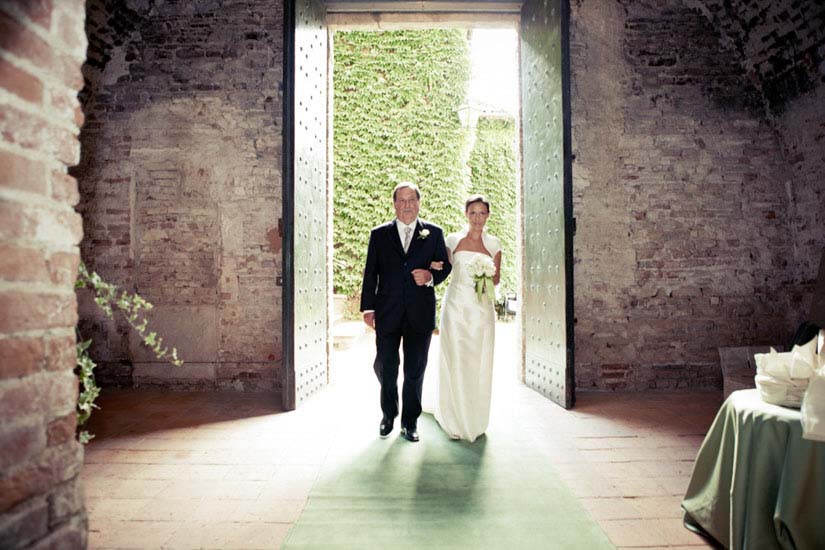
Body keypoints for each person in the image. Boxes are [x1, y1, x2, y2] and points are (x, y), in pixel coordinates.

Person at [360, 182, 452, 442]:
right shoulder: (379, 235)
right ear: (394, 204)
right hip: (386, 312)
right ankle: (388, 415)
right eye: (402, 200)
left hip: (419, 314)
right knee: (386, 367)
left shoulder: (433, 233)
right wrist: (368, 307)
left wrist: (430, 276)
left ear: (419, 203)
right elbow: (371, 273)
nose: (407, 205)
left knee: (415, 370)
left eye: (412, 199)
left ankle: (410, 422)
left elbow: (445, 266)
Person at [431, 195, 501, 442]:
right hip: (456, 309)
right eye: (473, 212)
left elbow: (496, 280)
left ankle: (474, 415)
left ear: (488, 216)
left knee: (477, 359)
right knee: (455, 357)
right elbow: (444, 268)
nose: (477, 218)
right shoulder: (452, 240)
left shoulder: (493, 244)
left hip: (481, 310)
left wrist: (485, 273)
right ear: (466, 214)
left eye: (482, 213)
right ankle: (452, 417)